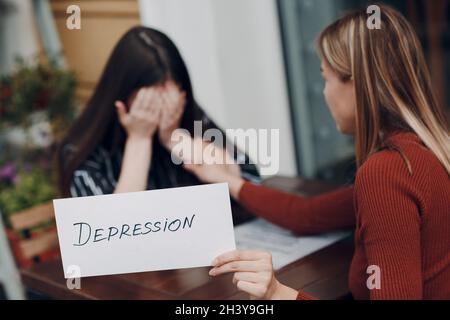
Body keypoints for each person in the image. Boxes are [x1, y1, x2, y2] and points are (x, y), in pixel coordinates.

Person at [184, 5, 450, 299]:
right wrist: (230, 181)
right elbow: (307, 215)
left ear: (357, 84)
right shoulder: (425, 151)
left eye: (326, 78)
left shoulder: (386, 173)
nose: (324, 93)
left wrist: (277, 293)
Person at [57, 26, 259, 224]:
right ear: (122, 96)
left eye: (170, 98)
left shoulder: (188, 118)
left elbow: (249, 183)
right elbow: (110, 231)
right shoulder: (83, 150)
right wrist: (139, 139)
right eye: (150, 101)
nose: (164, 109)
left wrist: (175, 138)